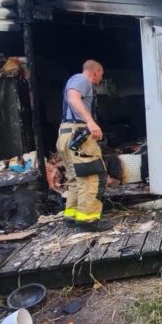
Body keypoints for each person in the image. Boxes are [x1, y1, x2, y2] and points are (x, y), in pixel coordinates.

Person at [56, 59, 111, 232]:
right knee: (90, 176)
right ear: (95, 72)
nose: (100, 79)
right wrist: (90, 122)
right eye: (101, 75)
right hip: (78, 133)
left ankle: (72, 216)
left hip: (66, 134)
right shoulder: (82, 80)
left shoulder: (75, 79)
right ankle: (88, 221)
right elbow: (73, 97)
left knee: (75, 177)